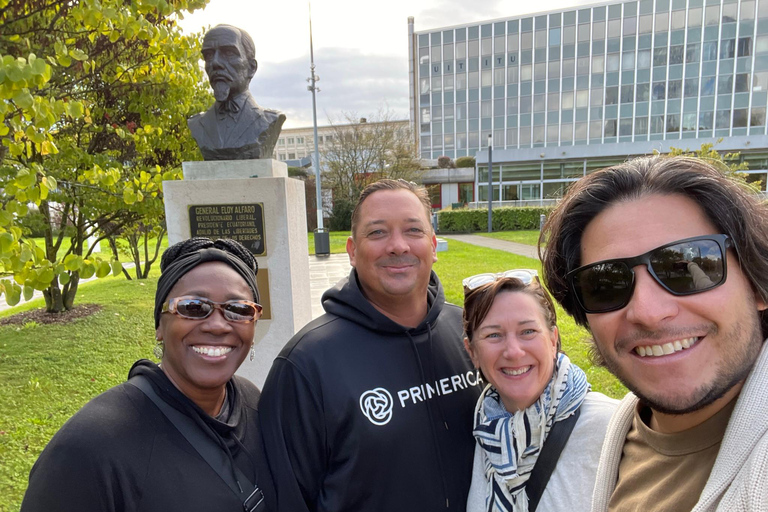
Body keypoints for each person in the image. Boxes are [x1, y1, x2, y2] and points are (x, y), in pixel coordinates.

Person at [540, 155, 768, 511]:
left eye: (687, 265)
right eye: (607, 282)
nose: (648, 312)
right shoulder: (626, 428)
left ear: (756, 285)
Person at [259, 179, 481, 512]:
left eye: (413, 231)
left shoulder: (472, 334)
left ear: (433, 245)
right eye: (377, 233)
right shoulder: (305, 365)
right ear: (351, 250)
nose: (397, 245)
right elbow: (286, 500)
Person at [21, 238, 275, 512]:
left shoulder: (252, 403)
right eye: (192, 307)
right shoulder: (89, 448)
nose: (216, 325)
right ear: (159, 327)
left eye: (238, 310)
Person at [462, 269, 617, 512]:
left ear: (553, 339)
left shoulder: (611, 427)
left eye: (528, 331)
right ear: (472, 352)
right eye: (493, 335)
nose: (513, 351)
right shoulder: (486, 431)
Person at [187, 24, 285, 161]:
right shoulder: (197, 123)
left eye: (228, 53)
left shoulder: (269, 120)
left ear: (251, 68)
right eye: (209, 55)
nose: (215, 62)